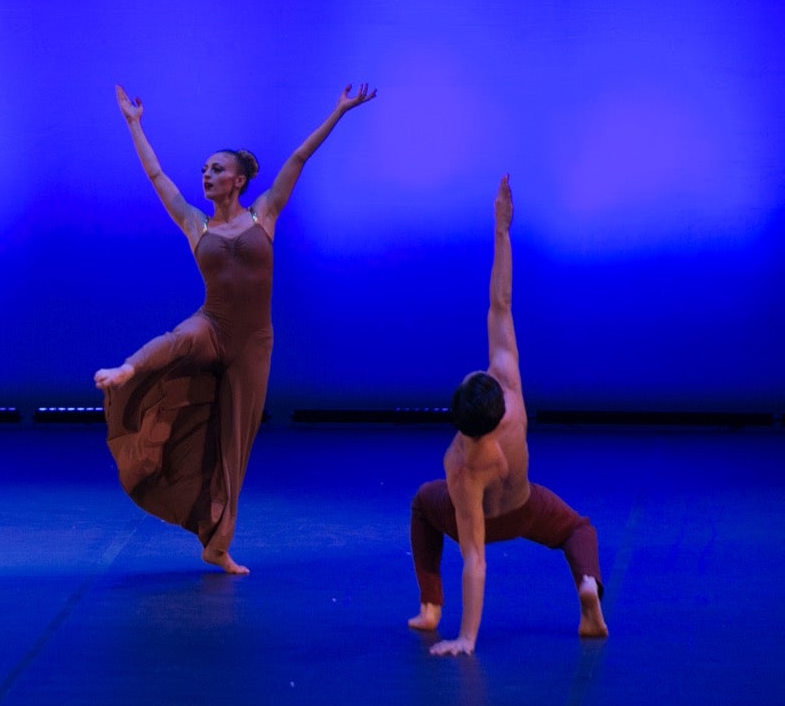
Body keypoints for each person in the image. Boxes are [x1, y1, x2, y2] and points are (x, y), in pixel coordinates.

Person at [96, 82, 376, 573]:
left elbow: (299, 158)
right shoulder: (195, 226)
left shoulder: (264, 214)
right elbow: (158, 176)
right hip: (213, 324)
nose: (206, 175)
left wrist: (339, 111)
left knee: (234, 442)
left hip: (252, 342)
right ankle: (127, 370)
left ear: (239, 180)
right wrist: (135, 124)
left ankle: (218, 541)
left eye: (216, 169)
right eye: (204, 169)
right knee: (178, 339)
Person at [408, 175, 608, 655]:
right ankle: (587, 588)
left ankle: (430, 607)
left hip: (475, 516)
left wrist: (467, 638)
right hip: (524, 509)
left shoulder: (461, 465)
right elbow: (501, 303)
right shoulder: (511, 392)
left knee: (421, 503)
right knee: (576, 528)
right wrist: (502, 231)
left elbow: (474, 557)